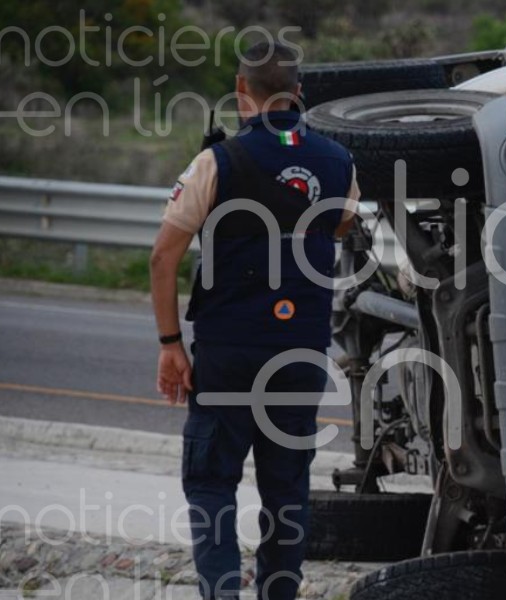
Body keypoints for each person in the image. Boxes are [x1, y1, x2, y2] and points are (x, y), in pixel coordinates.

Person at [149, 41, 359, 599]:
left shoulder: (216, 162)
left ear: (242, 91)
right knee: (287, 492)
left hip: (228, 353)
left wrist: (171, 343)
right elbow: (338, 228)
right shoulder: (340, 162)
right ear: (300, 90)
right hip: (300, 354)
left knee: (212, 482)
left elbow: (162, 256)